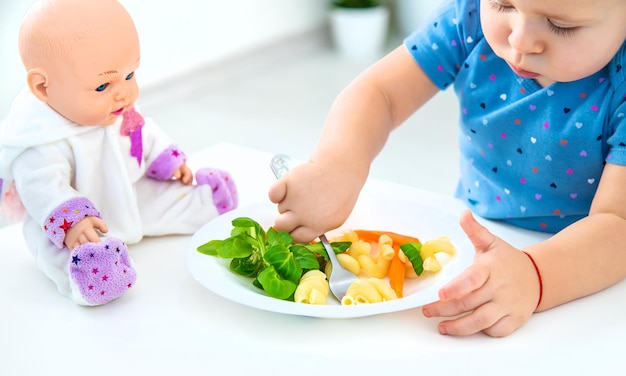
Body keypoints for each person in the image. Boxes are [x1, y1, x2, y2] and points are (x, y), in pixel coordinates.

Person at [269, 0, 626, 337]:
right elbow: (382, 92)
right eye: (503, 4)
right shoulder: (469, 19)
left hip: (584, 275)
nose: (520, 39)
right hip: (475, 244)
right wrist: (338, 165)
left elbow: (618, 226)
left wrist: (535, 274)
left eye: (562, 25)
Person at [0, 0, 238, 306]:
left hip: (127, 192)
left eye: (130, 74)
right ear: (44, 88)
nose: (124, 91)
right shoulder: (38, 138)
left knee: (160, 197)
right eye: (103, 85)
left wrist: (166, 159)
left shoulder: (117, 107)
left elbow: (142, 134)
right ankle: (90, 274)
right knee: (53, 248)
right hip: (77, 227)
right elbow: (43, 187)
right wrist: (72, 224)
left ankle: (203, 203)